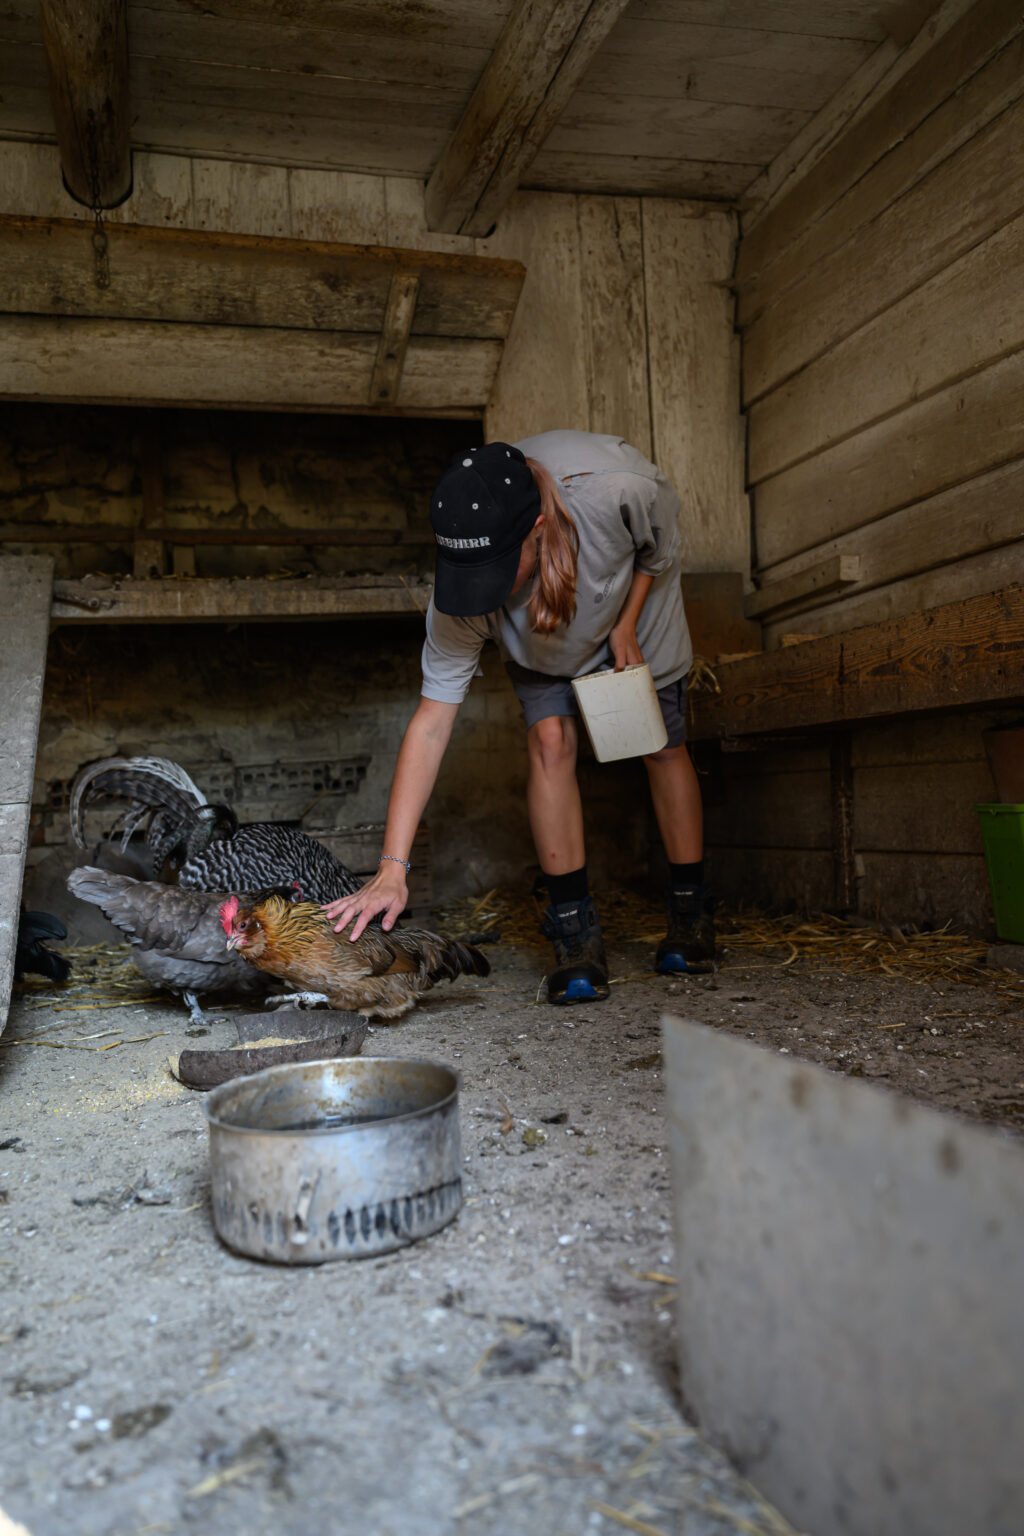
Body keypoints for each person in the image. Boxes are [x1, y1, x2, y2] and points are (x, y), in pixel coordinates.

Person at [323, 430, 715, 1003]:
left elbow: (660, 546)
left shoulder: (616, 491)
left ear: (535, 532)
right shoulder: (465, 596)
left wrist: (627, 623)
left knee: (659, 744)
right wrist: (392, 868)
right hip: (536, 631)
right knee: (551, 741)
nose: (478, 590)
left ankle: (690, 914)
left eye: (493, 570)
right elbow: (431, 723)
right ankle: (574, 935)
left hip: (632, 601)